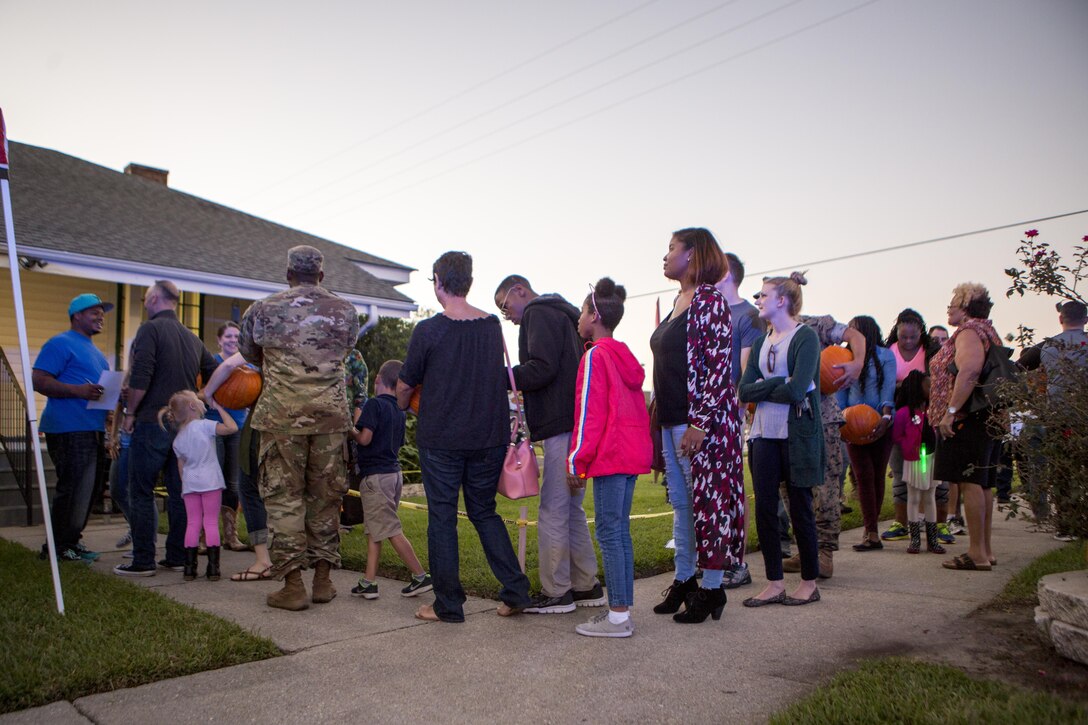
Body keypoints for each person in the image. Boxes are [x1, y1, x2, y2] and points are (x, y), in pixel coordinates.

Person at [396, 251, 531, 623]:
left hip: (441, 438)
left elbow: (406, 382)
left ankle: (448, 605)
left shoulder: (429, 330)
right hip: (487, 437)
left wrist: (404, 404)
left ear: (439, 280)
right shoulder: (491, 326)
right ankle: (516, 590)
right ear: (468, 282)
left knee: (442, 518)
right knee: (484, 512)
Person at [238, 245, 361, 609]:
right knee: (326, 498)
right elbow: (347, 349)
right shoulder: (345, 311)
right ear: (321, 275)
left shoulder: (262, 309)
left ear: (288, 273)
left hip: (281, 418)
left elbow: (249, 353)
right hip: (330, 418)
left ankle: (293, 586)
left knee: (284, 497)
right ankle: (323, 582)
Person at [649, 228, 744, 624]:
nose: (665, 255)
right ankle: (686, 578)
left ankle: (713, 587)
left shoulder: (709, 301)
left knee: (709, 505)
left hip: (699, 425)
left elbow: (720, 370)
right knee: (683, 506)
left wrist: (700, 424)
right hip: (672, 421)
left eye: (672, 248)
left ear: (692, 255)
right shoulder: (677, 302)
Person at [494, 274, 603, 613]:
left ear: (520, 291)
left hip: (558, 423)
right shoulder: (567, 316)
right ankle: (586, 585)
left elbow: (542, 368)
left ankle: (557, 591)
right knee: (571, 508)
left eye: (505, 305)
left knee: (553, 509)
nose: (506, 315)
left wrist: (504, 377)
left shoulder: (537, 313)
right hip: (577, 423)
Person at [115, 281, 219, 577]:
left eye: (146, 298)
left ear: (155, 298)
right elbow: (213, 374)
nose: (145, 303)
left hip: (152, 421)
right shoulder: (192, 338)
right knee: (179, 492)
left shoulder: (150, 330)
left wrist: (130, 412)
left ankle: (143, 559)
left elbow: (142, 373)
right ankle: (176, 556)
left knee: (142, 491)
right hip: (184, 427)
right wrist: (198, 399)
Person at [567, 278, 652, 638]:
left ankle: (618, 616)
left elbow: (590, 413)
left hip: (611, 456)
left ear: (595, 315)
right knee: (620, 532)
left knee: (609, 532)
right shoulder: (625, 357)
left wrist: (576, 460)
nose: (579, 316)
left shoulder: (595, 356)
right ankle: (621, 609)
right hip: (631, 455)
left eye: (583, 310)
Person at [739, 272, 824, 606]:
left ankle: (808, 582)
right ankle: (774, 582)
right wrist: (775, 384)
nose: (758, 300)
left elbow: (797, 389)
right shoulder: (761, 342)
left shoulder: (805, 338)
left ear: (782, 300)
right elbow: (745, 389)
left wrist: (766, 387)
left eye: (763, 295)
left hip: (796, 434)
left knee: (800, 507)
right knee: (766, 511)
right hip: (762, 434)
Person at [32, 293, 113, 563]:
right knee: (72, 487)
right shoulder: (60, 343)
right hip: (67, 428)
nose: (101, 317)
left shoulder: (98, 355)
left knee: (88, 489)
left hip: (93, 428)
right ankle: (55, 548)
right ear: (76, 315)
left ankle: (71, 542)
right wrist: (79, 391)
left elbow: (96, 391)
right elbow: (39, 380)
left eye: (102, 313)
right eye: (94, 312)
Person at [930, 283, 1003, 571]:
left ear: (967, 306)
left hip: (966, 419)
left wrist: (950, 412)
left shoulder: (969, 331)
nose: (949, 307)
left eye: (954, 302)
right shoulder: (988, 330)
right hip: (987, 417)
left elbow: (970, 370)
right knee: (983, 484)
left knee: (970, 482)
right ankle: (985, 550)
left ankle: (976, 554)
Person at [350, 360, 432, 600]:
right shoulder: (399, 409)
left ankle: (420, 576)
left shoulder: (374, 405)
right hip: (393, 475)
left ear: (377, 379)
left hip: (375, 477)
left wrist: (349, 429)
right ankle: (369, 581)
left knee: (390, 529)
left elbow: (364, 439)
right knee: (376, 529)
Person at [713, 252, 764, 589]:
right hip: (703, 409)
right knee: (709, 490)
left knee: (731, 486)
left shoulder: (748, 316)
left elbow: (744, 372)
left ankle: (738, 562)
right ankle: (713, 559)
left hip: (728, 411)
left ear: (727, 273)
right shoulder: (707, 310)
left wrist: (735, 406)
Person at [200, 353, 274, 581]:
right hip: (300, 423)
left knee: (249, 488)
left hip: (264, 421)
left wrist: (207, 393)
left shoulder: (266, 326)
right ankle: (299, 559)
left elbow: (231, 363)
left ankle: (263, 560)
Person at [882, 310, 952, 545]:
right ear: (897, 333)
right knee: (901, 472)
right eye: (904, 337)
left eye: (913, 337)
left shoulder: (932, 352)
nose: (909, 341)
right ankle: (901, 523)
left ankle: (940, 524)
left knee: (936, 474)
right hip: (900, 417)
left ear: (920, 332)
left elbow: (940, 383)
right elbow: (884, 383)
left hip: (929, 418)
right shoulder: (889, 351)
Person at [160, 391, 238, 580]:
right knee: (210, 522)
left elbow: (181, 466)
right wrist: (220, 407)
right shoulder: (205, 426)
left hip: (190, 485)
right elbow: (232, 428)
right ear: (193, 407)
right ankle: (213, 568)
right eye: (198, 400)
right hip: (210, 481)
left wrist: (185, 485)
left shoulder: (178, 438)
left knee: (193, 524)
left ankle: (189, 568)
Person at [838, 316, 896, 552]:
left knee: (877, 475)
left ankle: (872, 531)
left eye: (855, 331)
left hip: (879, 422)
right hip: (852, 423)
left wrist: (885, 416)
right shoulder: (844, 357)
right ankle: (869, 530)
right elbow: (840, 390)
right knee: (863, 475)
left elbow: (888, 386)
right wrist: (840, 420)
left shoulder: (885, 356)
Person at [891, 371, 945, 555]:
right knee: (913, 498)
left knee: (930, 497)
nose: (932, 389)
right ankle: (914, 539)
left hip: (931, 459)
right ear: (917, 388)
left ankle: (932, 539)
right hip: (914, 460)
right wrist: (909, 444)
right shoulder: (904, 413)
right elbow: (897, 435)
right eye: (928, 386)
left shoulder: (933, 411)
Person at [207, 322, 248, 552]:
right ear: (219, 340)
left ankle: (231, 535)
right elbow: (202, 393)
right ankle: (206, 533)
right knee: (212, 480)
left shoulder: (247, 365)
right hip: (214, 426)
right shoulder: (212, 363)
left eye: (237, 337)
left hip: (237, 428)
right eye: (229, 336)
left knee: (233, 482)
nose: (233, 340)